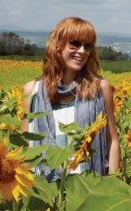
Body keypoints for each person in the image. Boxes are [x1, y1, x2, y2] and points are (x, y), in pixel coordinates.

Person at [21, 17, 120, 182]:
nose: (82, 51)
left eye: (87, 46)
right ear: (58, 45)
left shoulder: (100, 89)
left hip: (88, 186)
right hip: (45, 189)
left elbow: (112, 142)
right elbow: (26, 144)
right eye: (75, 43)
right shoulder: (33, 91)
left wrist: (114, 186)